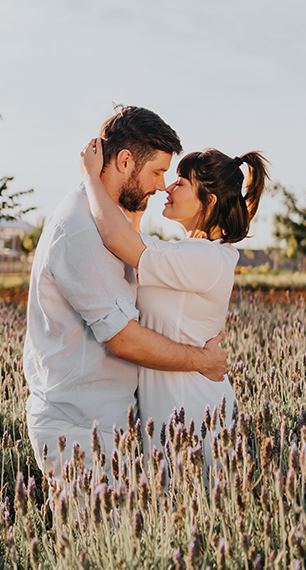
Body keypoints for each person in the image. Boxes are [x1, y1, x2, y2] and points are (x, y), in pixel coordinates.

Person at [23, 106, 229, 475]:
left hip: (108, 429)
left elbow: (127, 233)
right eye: (157, 172)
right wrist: (205, 361)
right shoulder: (84, 231)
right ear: (124, 161)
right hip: (78, 432)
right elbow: (124, 341)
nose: (163, 184)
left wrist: (101, 181)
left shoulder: (98, 217)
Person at [80, 138, 269, 437]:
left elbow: (117, 239)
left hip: (193, 415)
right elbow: (134, 260)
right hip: (170, 413)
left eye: (181, 183)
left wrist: (90, 176)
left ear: (209, 200)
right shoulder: (191, 253)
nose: (168, 187)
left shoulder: (205, 258)